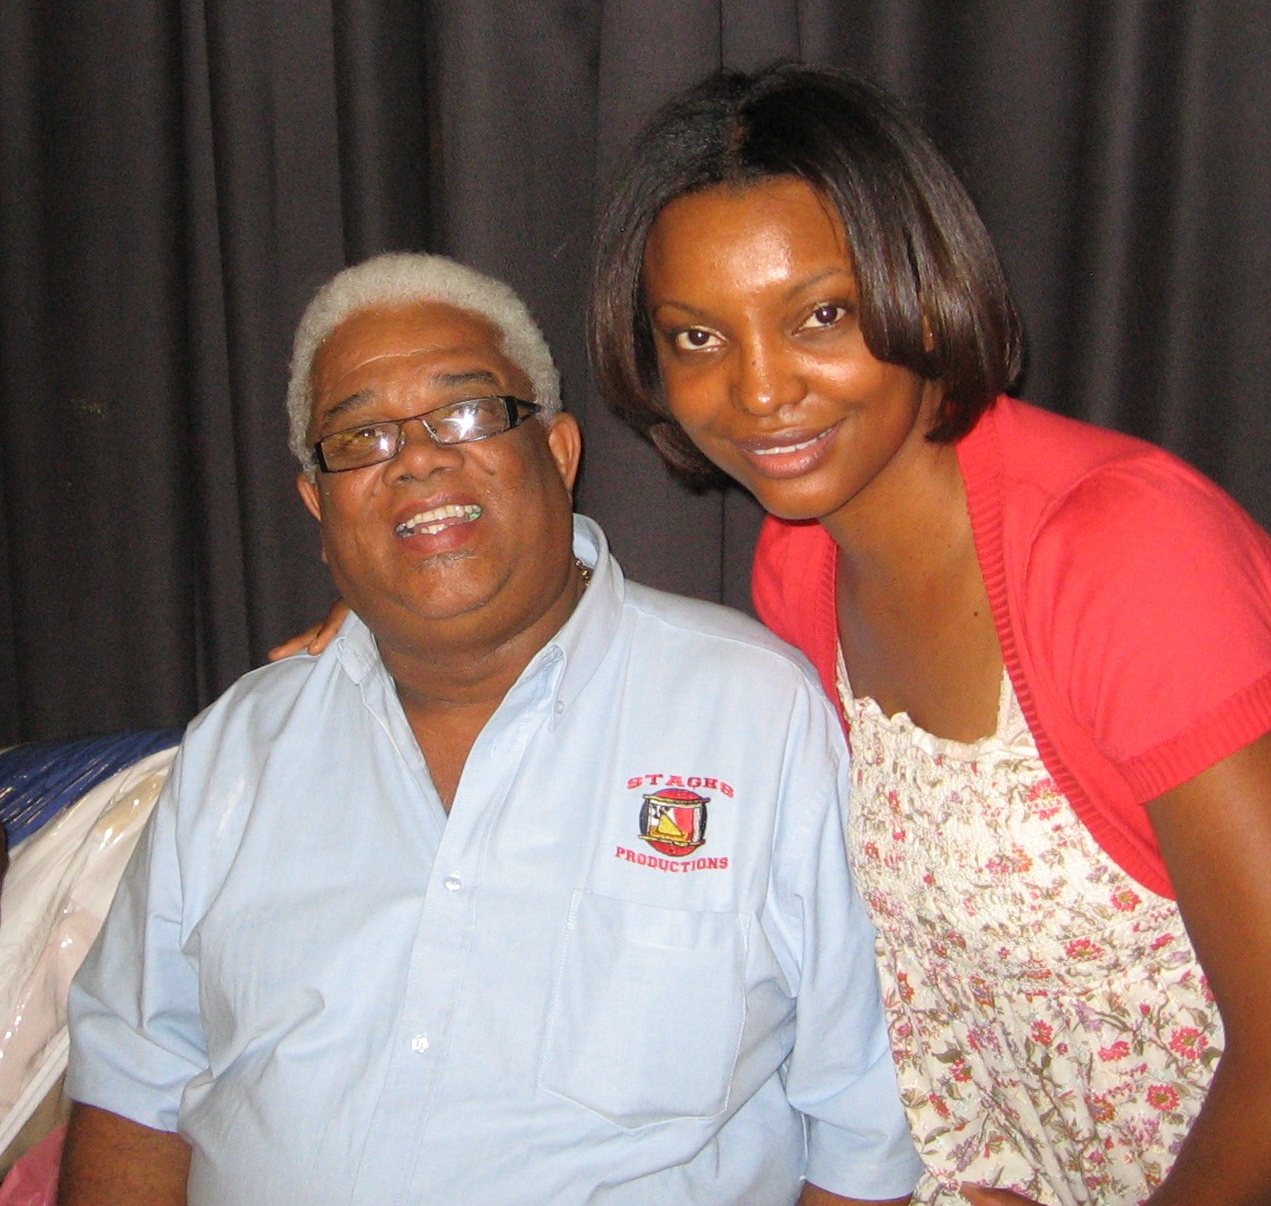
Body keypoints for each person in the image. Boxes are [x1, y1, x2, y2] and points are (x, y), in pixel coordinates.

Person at [582, 61, 1271, 1204]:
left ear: (921, 290)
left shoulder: (1122, 553)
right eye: (696, 338)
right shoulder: (803, 568)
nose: (760, 389)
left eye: (820, 314)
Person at [60, 253, 924, 1206]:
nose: (418, 458)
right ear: (319, 503)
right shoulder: (239, 748)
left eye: (466, 413)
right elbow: (134, 1088)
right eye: (360, 437)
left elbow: (862, 1132)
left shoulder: (754, 716)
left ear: (557, 452)